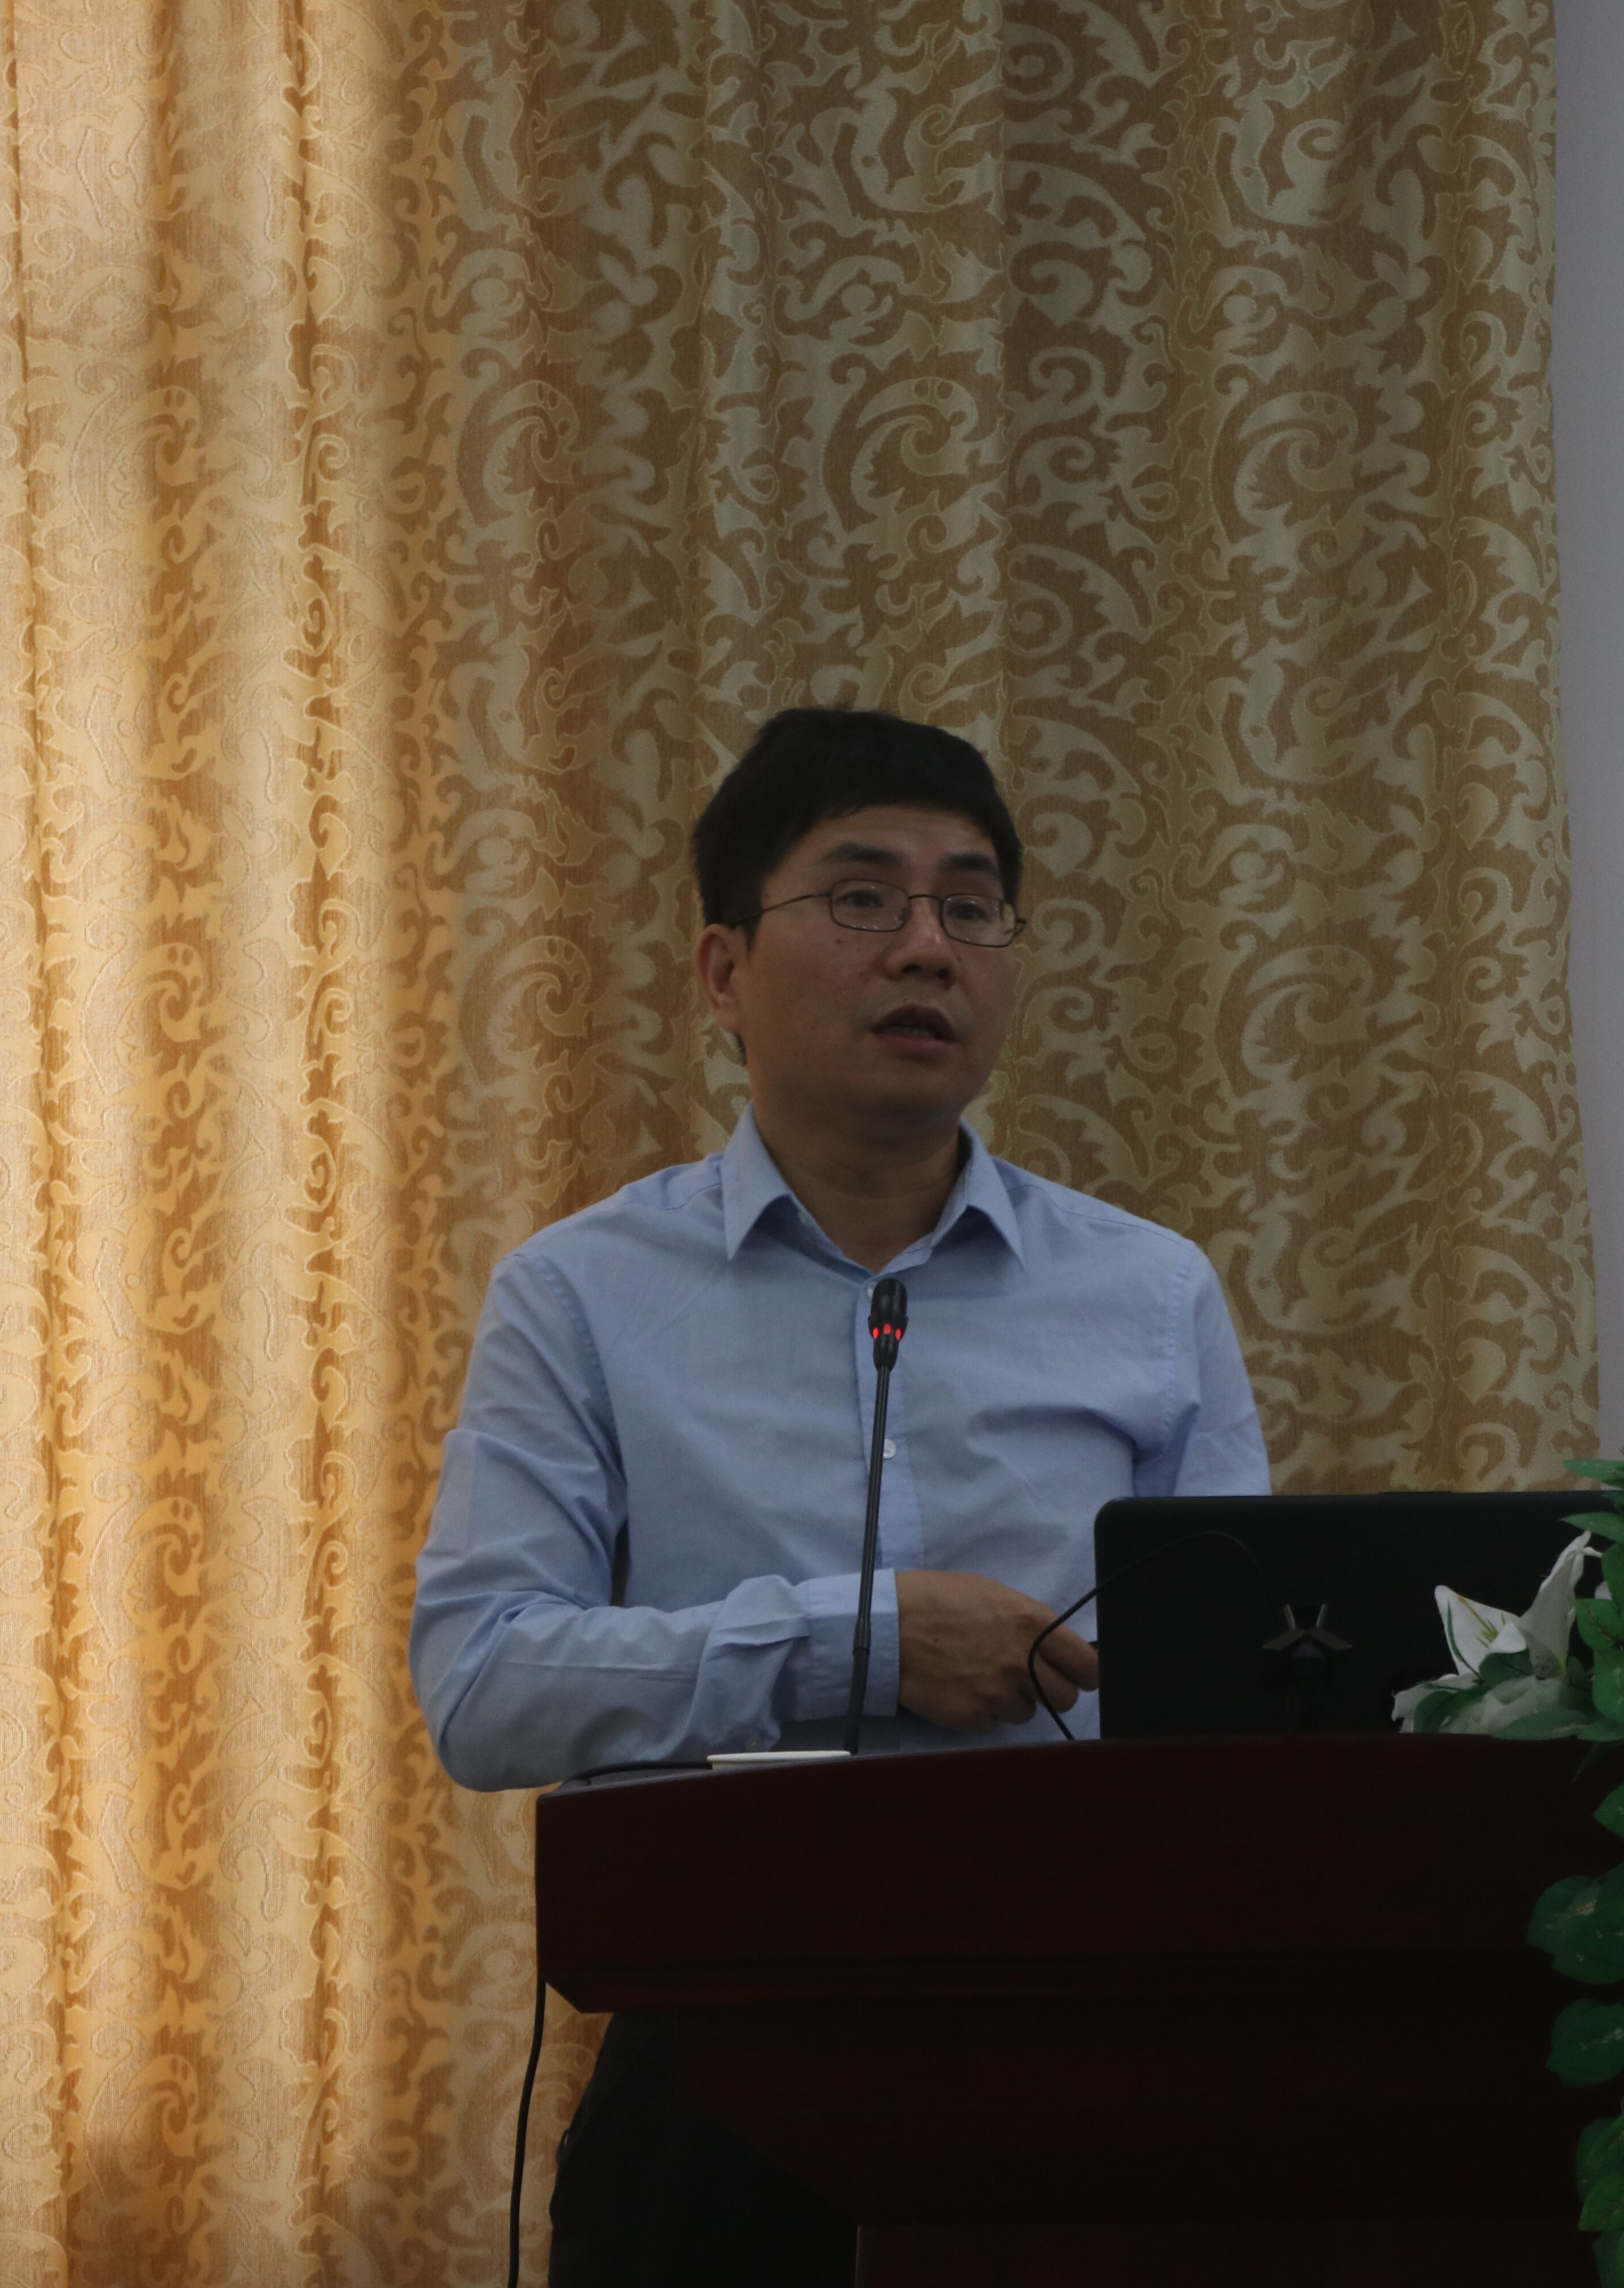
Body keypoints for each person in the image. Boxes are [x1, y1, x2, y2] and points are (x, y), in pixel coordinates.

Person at [408, 707, 1272, 2286]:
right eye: (863, 897)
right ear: (723, 972)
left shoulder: (1150, 1295)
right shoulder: (584, 1294)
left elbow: (1238, 1704)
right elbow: (485, 1685)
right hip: (720, 2062)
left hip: (1080, 2044)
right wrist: (857, 1642)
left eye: (971, 907)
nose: (928, 947)